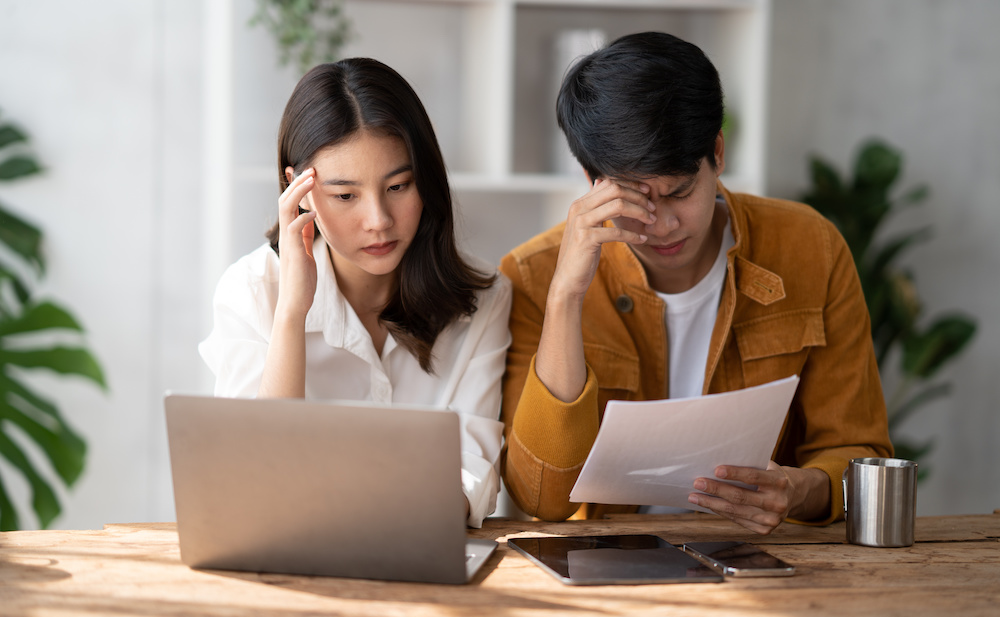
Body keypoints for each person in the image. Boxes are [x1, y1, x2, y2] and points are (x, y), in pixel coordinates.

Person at [499, 32, 892, 534]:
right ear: (590, 180)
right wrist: (566, 297)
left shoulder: (811, 249)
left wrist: (801, 489)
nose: (662, 225)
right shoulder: (533, 276)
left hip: (768, 557)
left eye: (680, 192)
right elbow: (542, 498)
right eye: (636, 201)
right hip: (607, 567)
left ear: (718, 153)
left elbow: (859, 453)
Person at [200, 58, 512, 528]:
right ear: (298, 191)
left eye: (399, 186)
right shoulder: (252, 290)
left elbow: (472, 473)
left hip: (422, 549)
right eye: (346, 195)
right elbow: (254, 485)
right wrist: (291, 314)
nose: (379, 220)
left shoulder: (482, 297)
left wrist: (388, 532)